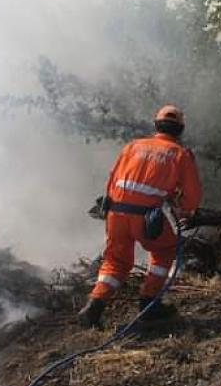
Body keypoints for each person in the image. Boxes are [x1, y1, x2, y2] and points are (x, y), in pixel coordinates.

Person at [77, 105, 202, 327]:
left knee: (116, 261)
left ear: (156, 125)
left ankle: (94, 305)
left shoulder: (133, 146)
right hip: (145, 218)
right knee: (165, 250)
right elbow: (191, 195)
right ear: (180, 129)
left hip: (115, 212)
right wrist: (185, 210)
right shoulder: (179, 154)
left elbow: (112, 178)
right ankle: (149, 304)